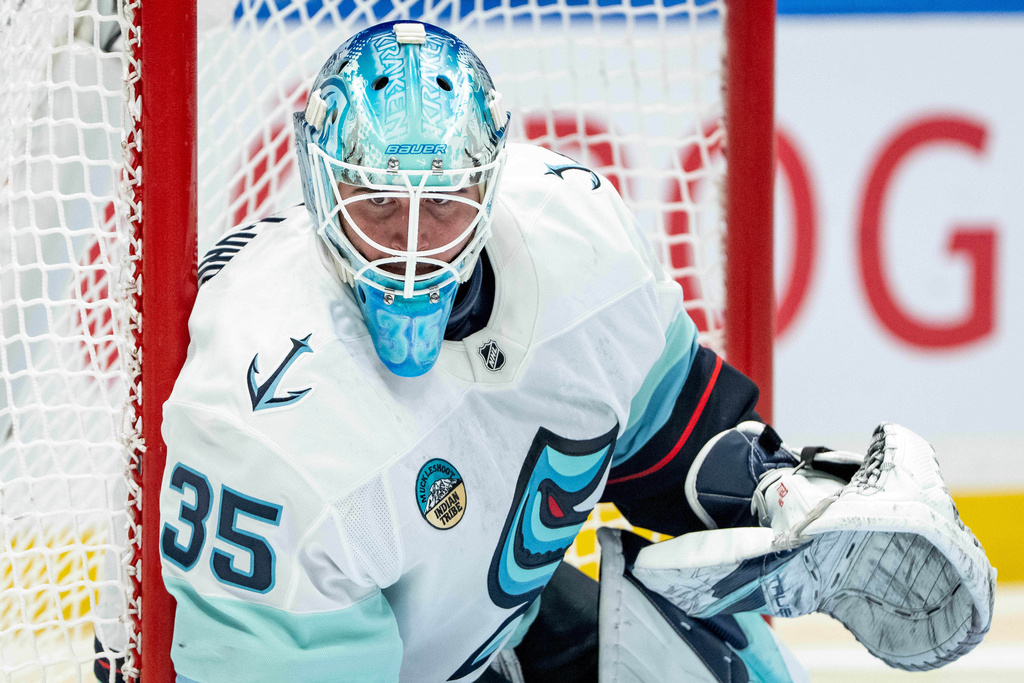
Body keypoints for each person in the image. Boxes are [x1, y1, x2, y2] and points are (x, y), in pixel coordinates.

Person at [156, 20, 994, 683]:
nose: (412, 247)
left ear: (489, 183)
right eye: (378, 204)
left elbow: (665, 430)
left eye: (442, 204)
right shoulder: (268, 423)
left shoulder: (574, 242)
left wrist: (776, 489)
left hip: (494, 628)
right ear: (321, 183)